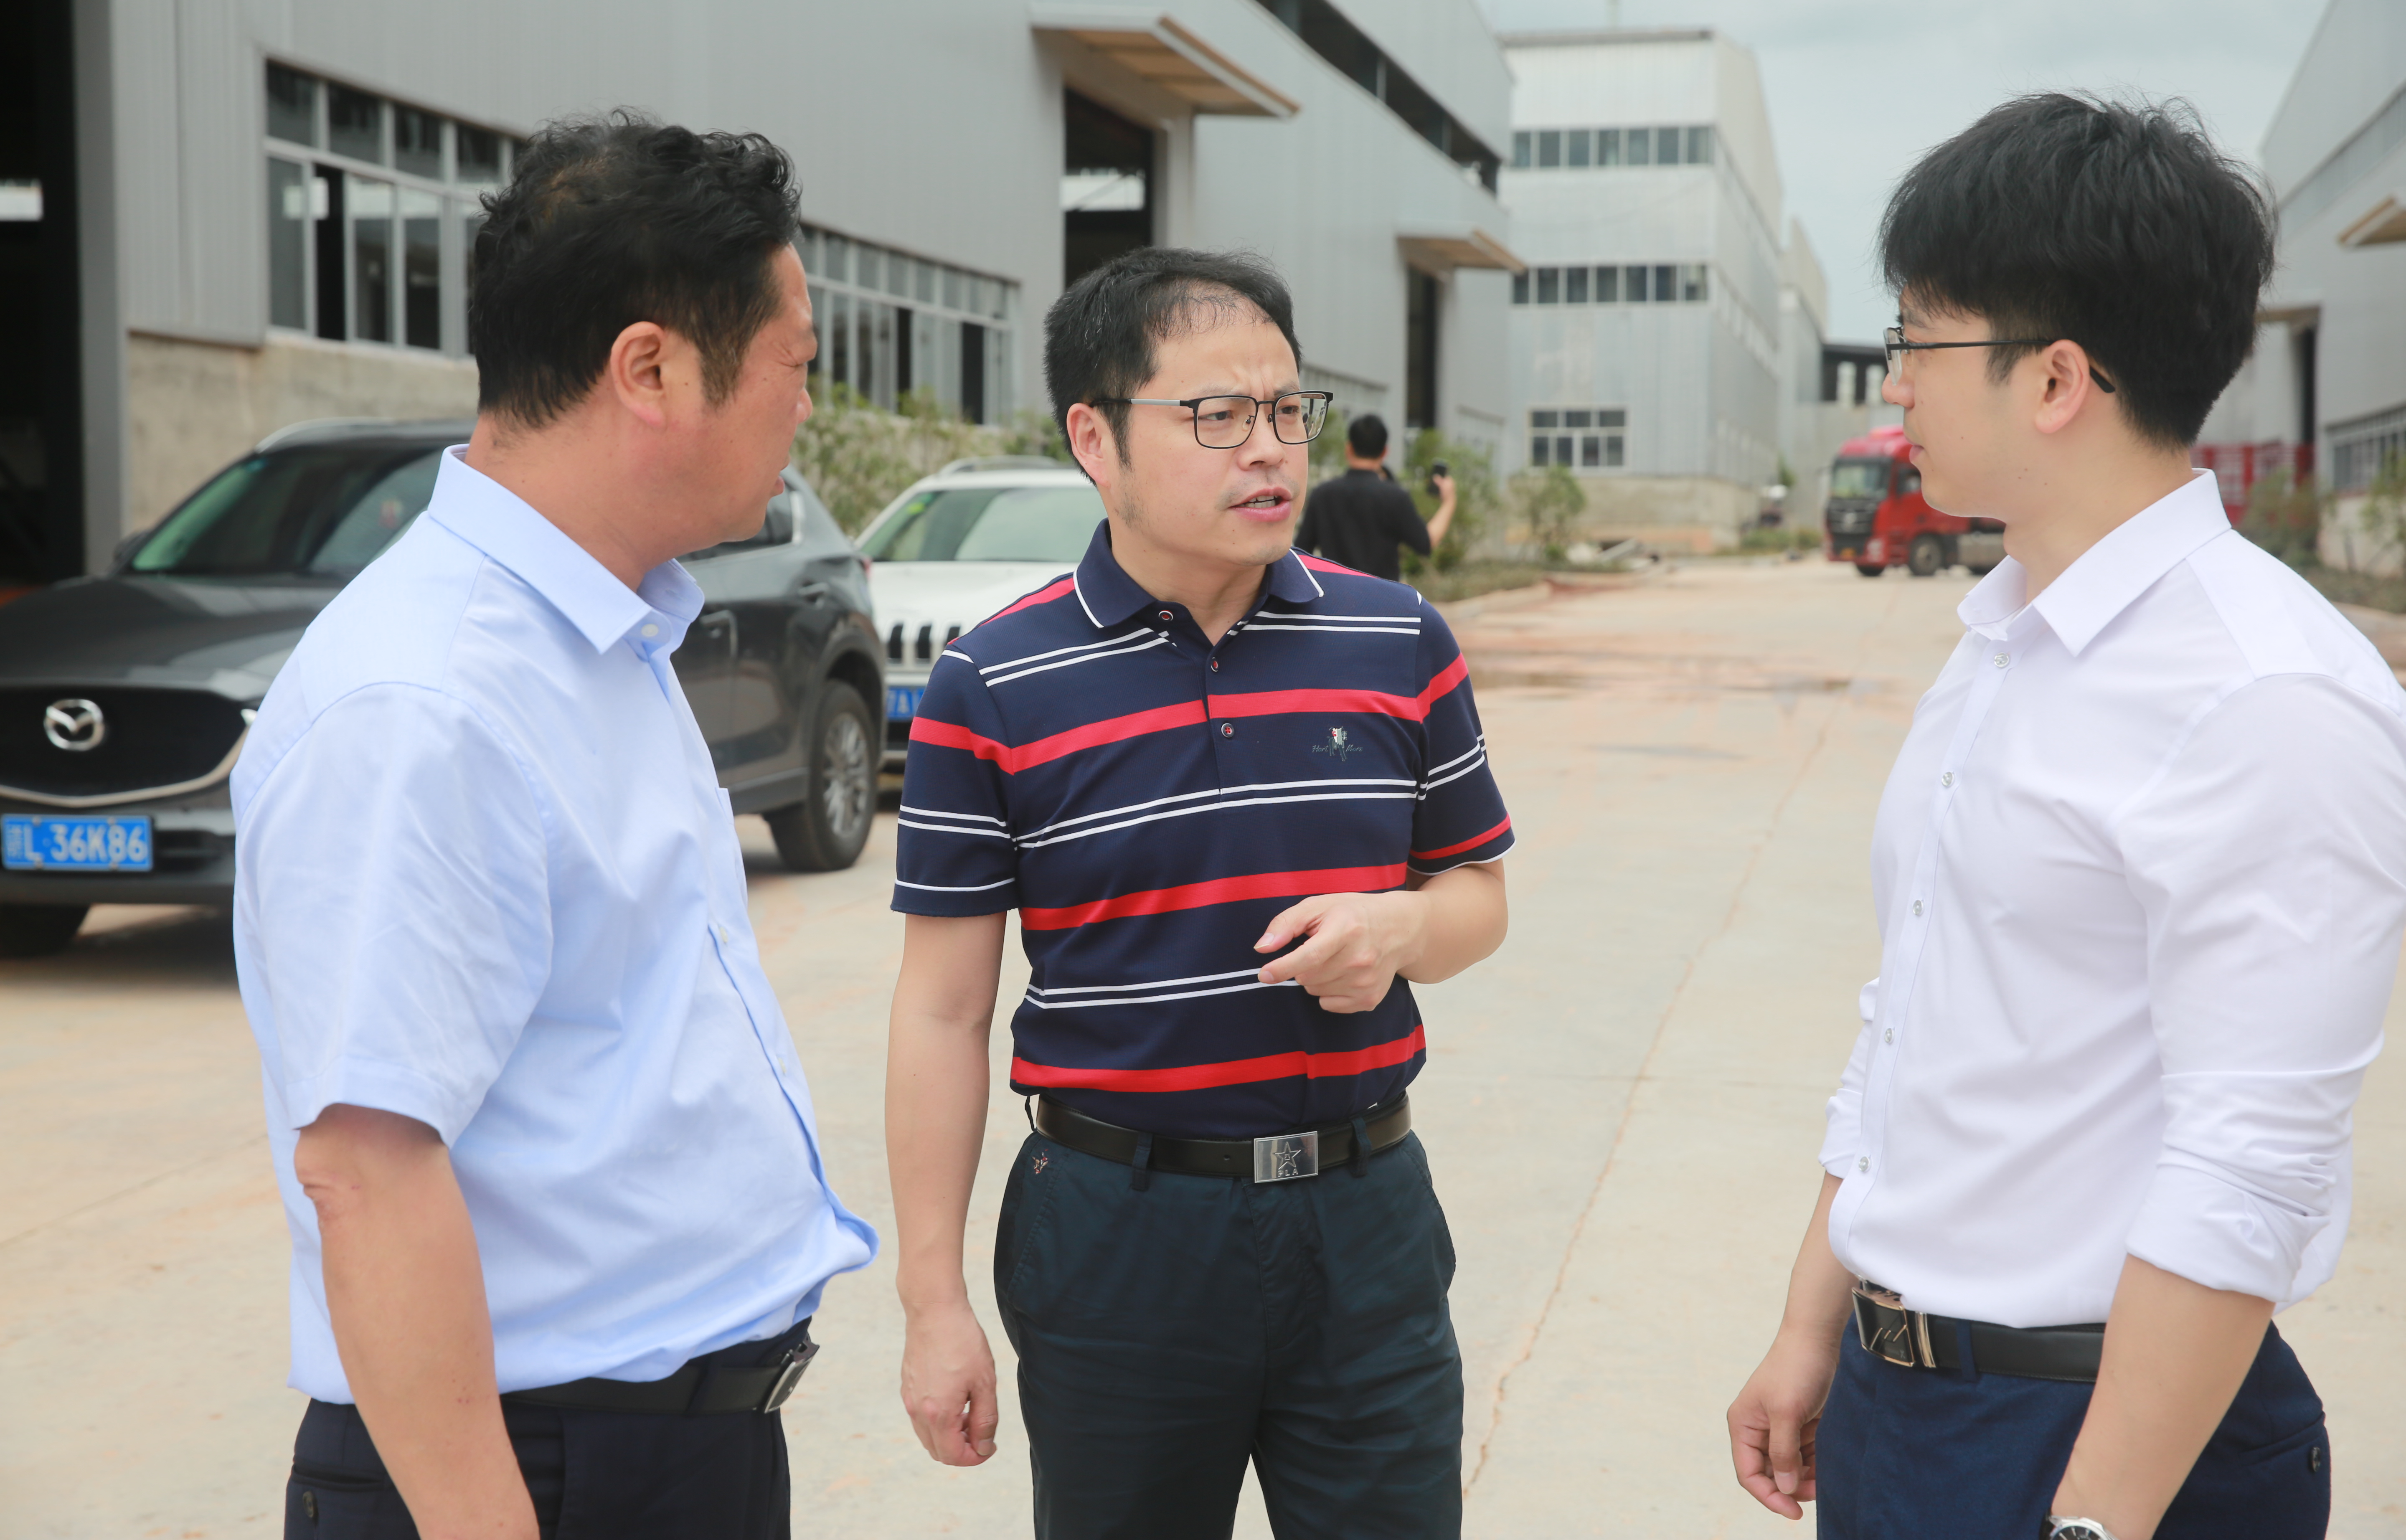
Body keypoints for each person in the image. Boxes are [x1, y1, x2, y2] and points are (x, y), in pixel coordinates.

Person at [1723, 93, 2406, 1540]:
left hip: (2111, 1442)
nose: (1894, 384)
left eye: (1918, 340)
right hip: (1902, 1405)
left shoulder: (2263, 694)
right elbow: (1910, 1022)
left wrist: (2093, 1522)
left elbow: (2250, 1163)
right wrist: (1814, 1323)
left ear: (2055, 380)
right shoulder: (2001, 644)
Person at [232, 114, 876, 1539]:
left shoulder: (593, 636)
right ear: (651, 368)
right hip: (536, 1471)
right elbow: (368, 1169)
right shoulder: (427, 699)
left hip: (668, 1452)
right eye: (797, 366)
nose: (805, 411)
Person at [884, 247, 1512, 1539]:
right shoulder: (993, 686)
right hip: (1119, 1230)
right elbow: (942, 1012)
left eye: (1287, 410)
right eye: (1217, 415)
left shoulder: (1398, 641)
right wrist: (932, 1300)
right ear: (1095, 438)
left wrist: (1399, 927)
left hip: (1366, 1216)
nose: (1268, 449)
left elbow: (1477, 894)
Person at [1295, 411, 1456, 580]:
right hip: (1383, 595)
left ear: (1349, 449)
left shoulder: (1322, 494)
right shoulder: (1395, 497)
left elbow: (1301, 553)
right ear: (1385, 452)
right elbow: (1426, 543)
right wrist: (1449, 502)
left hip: (1334, 593)